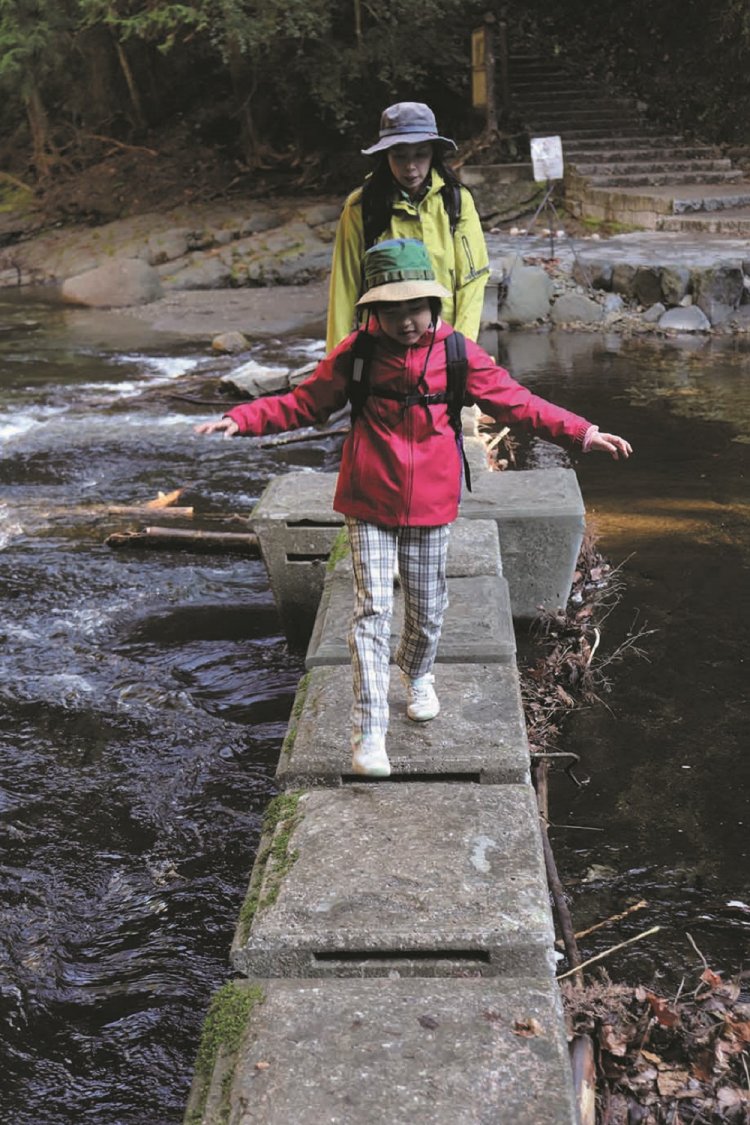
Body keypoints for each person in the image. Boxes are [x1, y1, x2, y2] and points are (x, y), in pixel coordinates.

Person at [196, 238, 632, 779]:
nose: (406, 321)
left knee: (426, 612)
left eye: (415, 307)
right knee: (372, 611)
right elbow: (305, 402)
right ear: (373, 312)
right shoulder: (357, 354)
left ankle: (418, 672)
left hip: (431, 501)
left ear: (432, 304)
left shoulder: (456, 354)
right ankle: (369, 733)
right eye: (392, 310)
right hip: (368, 498)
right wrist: (242, 418)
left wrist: (582, 432)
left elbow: (516, 402)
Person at [325, 101, 490, 351]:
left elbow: (472, 280)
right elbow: (344, 286)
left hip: (443, 341)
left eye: (420, 154)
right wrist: (336, 359)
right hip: (382, 346)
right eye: (399, 156)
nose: (410, 167)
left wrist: (462, 347)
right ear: (386, 156)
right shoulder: (361, 206)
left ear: (433, 154)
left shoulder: (455, 201)